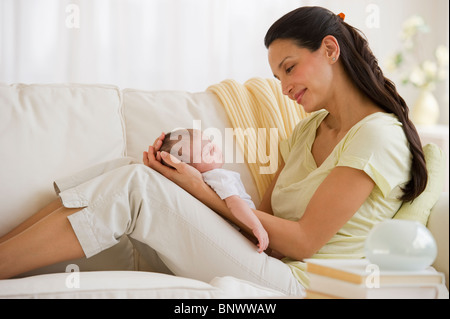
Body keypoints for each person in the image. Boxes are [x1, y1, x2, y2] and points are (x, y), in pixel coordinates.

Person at [0, 6, 427, 295]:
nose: (284, 88)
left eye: (289, 68)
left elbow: (303, 241)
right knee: (132, 169)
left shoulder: (378, 135)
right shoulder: (309, 129)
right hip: (265, 258)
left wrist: (200, 192)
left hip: (297, 283)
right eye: (277, 77)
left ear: (330, 49)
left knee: (135, 187)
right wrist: (187, 180)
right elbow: (261, 218)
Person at [159, 128, 269, 253]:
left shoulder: (201, 182)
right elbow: (234, 203)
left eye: (211, 142)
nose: (216, 147)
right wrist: (256, 226)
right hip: (246, 231)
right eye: (209, 151)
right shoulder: (218, 176)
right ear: (189, 168)